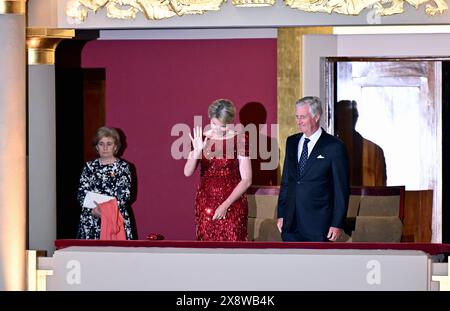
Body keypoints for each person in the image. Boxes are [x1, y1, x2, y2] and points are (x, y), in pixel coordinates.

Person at [277, 96, 349, 242]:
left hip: (319, 224)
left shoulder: (334, 146)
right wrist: (282, 214)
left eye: (302, 117)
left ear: (316, 117)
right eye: (297, 117)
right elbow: (287, 181)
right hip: (290, 223)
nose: (298, 121)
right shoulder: (292, 142)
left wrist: (337, 223)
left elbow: (341, 189)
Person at [184, 99, 252, 241]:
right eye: (214, 124)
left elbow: (246, 180)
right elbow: (187, 172)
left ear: (231, 121)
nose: (217, 129)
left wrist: (225, 205)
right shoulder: (202, 139)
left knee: (233, 250)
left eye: (223, 126)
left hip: (233, 203)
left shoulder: (240, 139)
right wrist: (196, 151)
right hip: (206, 204)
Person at [77, 126, 134, 240]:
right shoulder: (89, 167)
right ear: (96, 147)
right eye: (101, 144)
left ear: (115, 146)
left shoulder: (123, 167)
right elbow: (81, 194)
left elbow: (124, 196)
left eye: (109, 143)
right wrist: (94, 211)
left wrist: (104, 211)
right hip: (91, 219)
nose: (105, 147)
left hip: (115, 219)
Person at [334, 100, 387, 186]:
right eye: (342, 119)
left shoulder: (374, 152)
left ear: (355, 119)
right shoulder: (326, 152)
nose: (345, 124)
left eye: (347, 119)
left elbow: (380, 193)